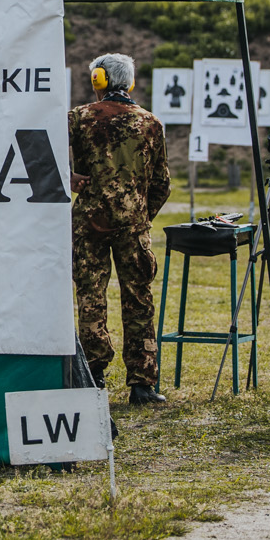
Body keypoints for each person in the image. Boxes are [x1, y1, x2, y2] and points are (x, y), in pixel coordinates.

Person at [68, 52, 172, 403]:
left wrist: (66, 177)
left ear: (98, 79)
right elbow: (162, 184)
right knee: (139, 300)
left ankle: (93, 376)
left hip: (89, 225)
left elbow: (38, 147)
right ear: (128, 82)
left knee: (91, 299)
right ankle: (142, 385)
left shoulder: (80, 118)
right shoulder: (151, 123)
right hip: (134, 229)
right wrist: (140, 214)